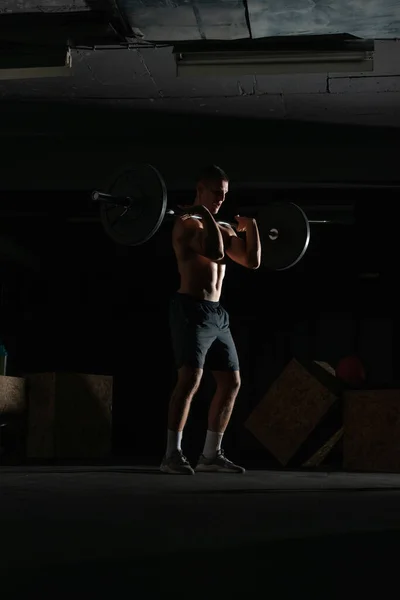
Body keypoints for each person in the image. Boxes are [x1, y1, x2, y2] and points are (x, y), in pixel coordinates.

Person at [160, 165, 261, 475]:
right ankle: (172, 455)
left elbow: (252, 261)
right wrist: (202, 213)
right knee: (189, 380)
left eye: (225, 194)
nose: (221, 198)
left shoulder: (223, 226)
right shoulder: (187, 224)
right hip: (190, 308)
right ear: (200, 188)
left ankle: (210, 455)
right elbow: (216, 252)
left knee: (231, 382)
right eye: (216, 192)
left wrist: (252, 226)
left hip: (217, 313)